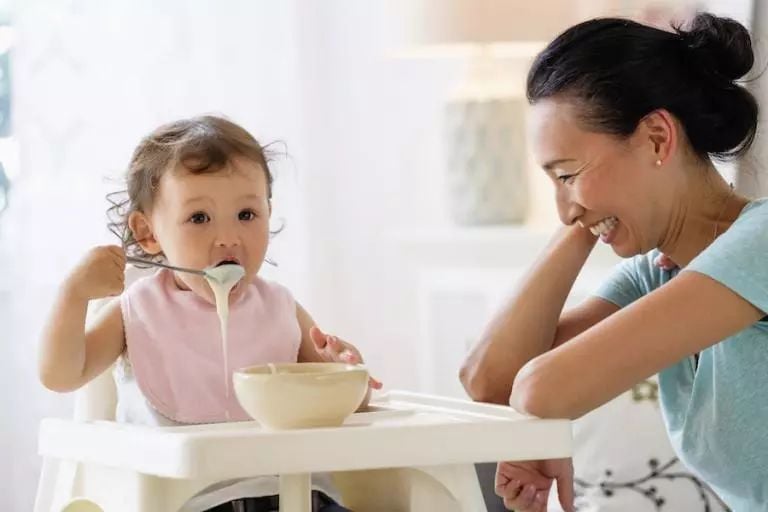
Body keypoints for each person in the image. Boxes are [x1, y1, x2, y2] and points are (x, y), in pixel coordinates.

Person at [460, 13, 767, 512]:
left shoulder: (762, 242)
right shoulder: (658, 273)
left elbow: (540, 389)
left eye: (567, 174)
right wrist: (584, 214)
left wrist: (545, 437)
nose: (563, 211)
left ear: (656, 139)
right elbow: (490, 381)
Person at [38, 115, 381, 512]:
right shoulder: (137, 311)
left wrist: (344, 370)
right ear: (148, 233)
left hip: (296, 497)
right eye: (199, 218)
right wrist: (73, 294)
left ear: (269, 214)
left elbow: (352, 405)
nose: (228, 237)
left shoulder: (279, 307)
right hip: (183, 503)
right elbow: (60, 375)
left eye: (247, 215)